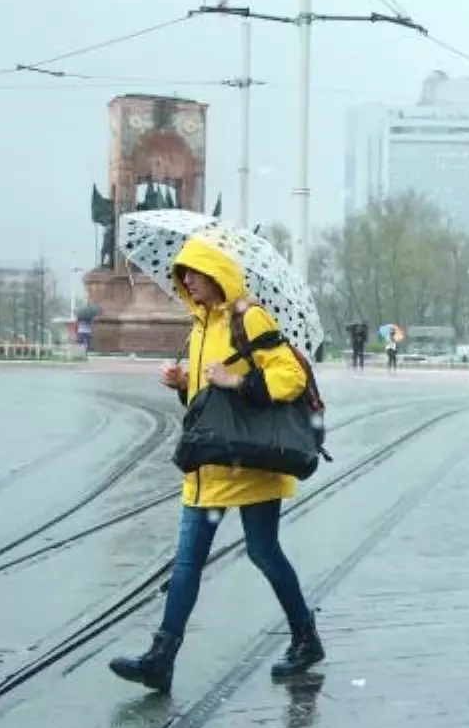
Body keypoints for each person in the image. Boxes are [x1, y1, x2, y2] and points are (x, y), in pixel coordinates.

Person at [109, 237, 324, 693]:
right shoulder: (198, 327)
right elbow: (205, 401)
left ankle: (305, 638)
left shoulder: (249, 317)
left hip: (250, 464)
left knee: (263, 554)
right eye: (181, 274)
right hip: (208, 463)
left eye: (193, 272)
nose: (185, 280)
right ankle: (160, 659)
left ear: (215, 275)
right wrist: (183, 383)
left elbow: (289, 377)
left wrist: (236, 378)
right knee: (188, 563)